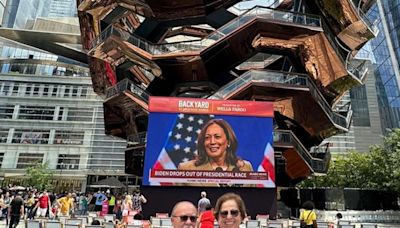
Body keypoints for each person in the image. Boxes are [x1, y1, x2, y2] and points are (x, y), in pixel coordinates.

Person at [178, 119, 253, 172]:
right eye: (207, 138)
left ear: (228, 141)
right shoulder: (186, 168)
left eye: (217, 137)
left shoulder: (245, 167)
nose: (212, 142)